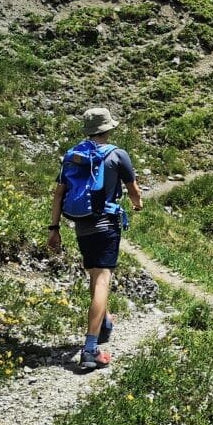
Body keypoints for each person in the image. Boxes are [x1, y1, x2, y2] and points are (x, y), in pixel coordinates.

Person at [47, 107, 143, 372]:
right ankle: (90, 349)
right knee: (102, 280)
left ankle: (104, 322)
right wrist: (137, 205)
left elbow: (58, 194)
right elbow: (133, 190)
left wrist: (53, 228)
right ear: (108, 129)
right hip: (106, 225)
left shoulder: (73, 156)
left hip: (81, 226)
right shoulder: (117, 154)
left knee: (94, 276)